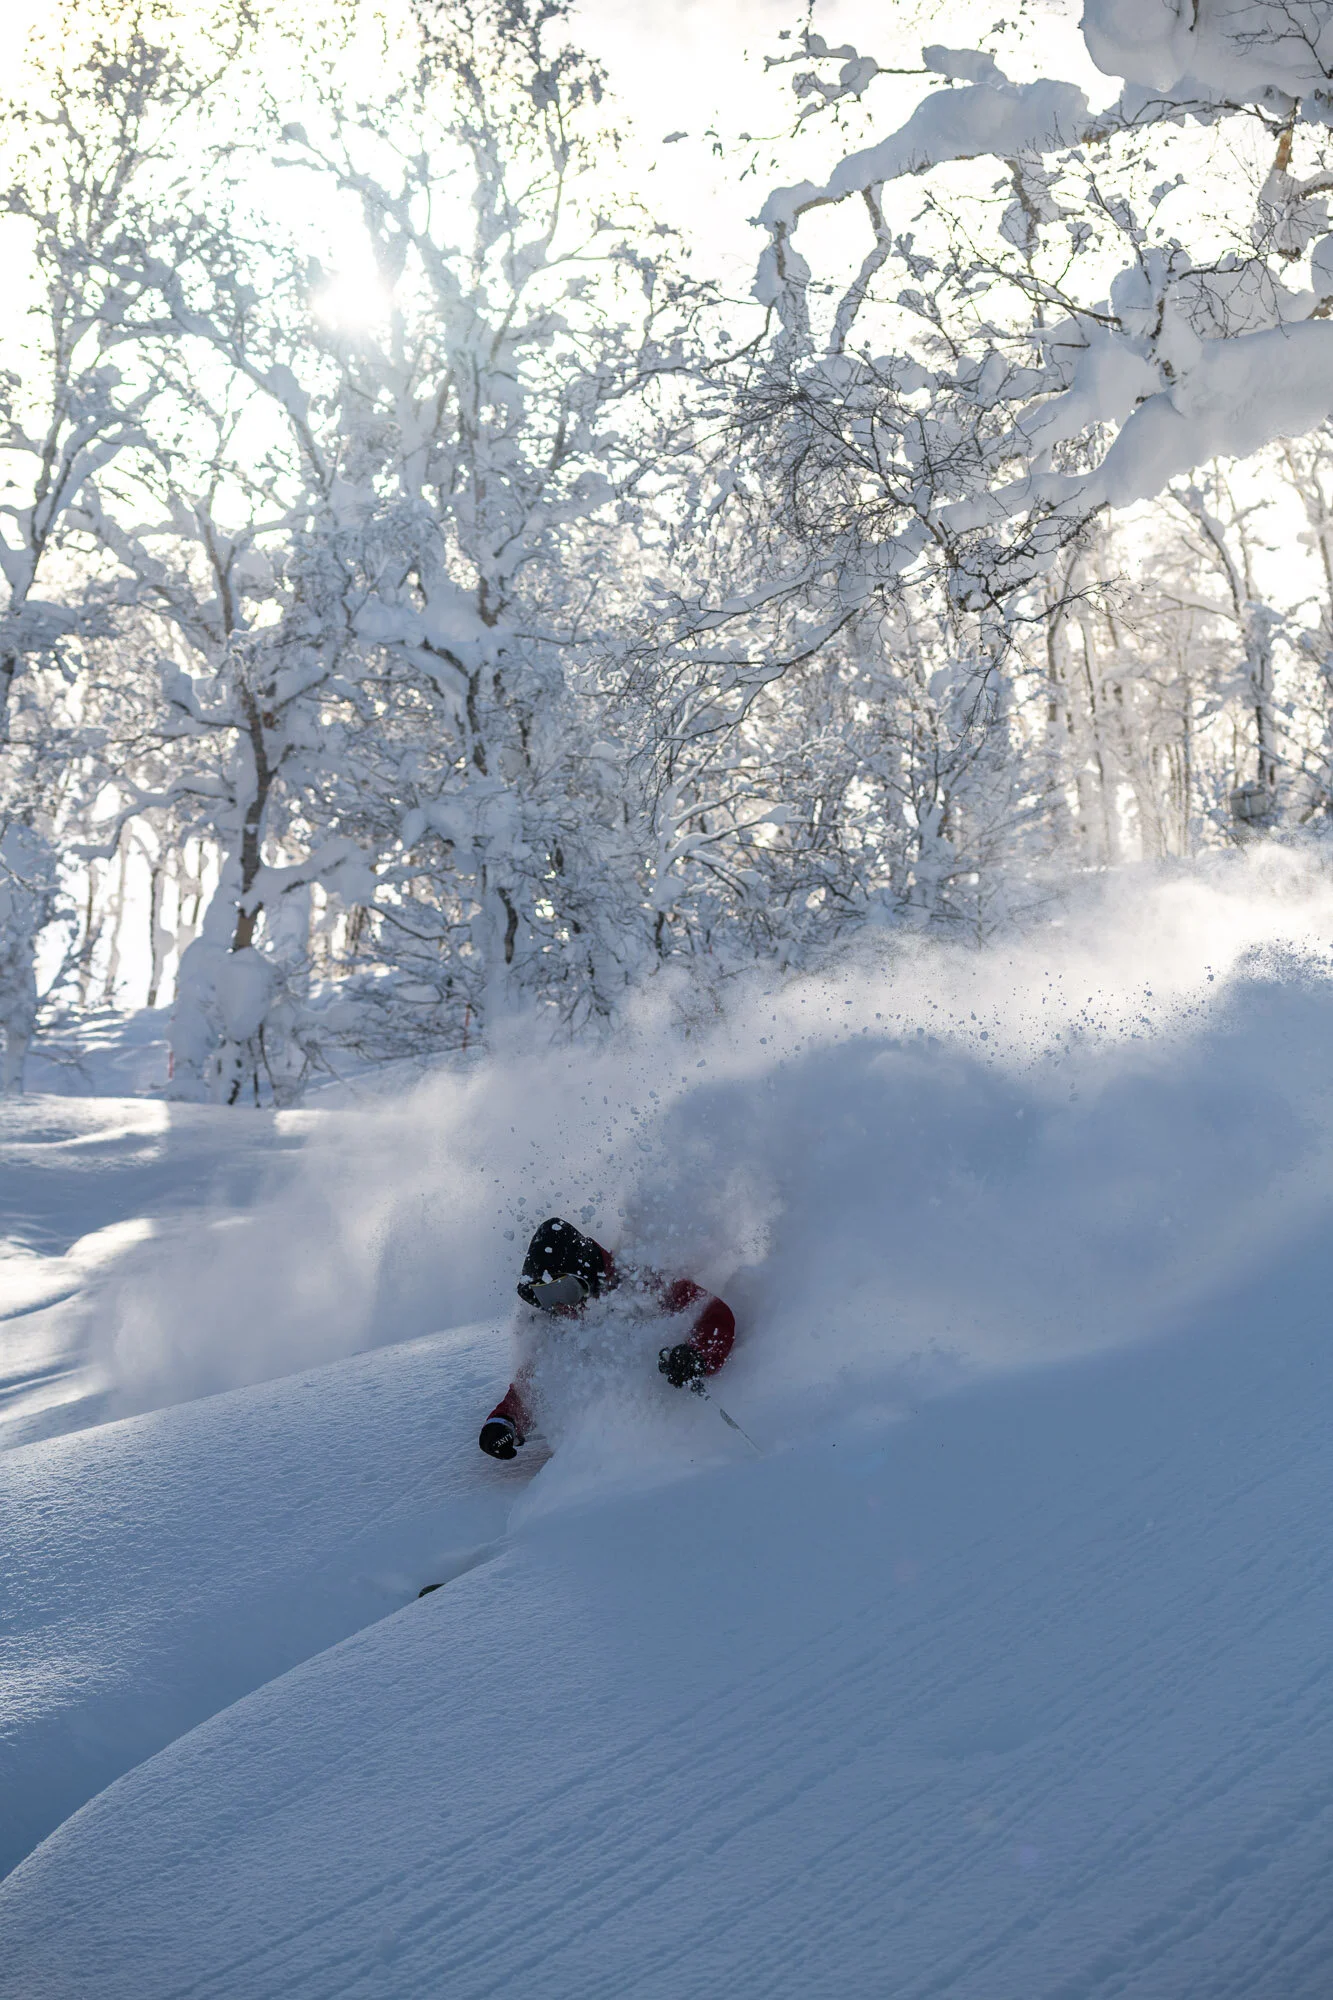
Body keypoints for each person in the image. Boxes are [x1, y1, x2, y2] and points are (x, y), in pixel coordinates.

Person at [479, 1215, 736, 1459]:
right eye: (545, 1295)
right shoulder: (554, 1321)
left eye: (563, 1290)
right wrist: (504, 1422)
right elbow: (534, 1385)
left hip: (673, 1439)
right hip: (603, 1451)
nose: (559, 1305)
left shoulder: (639, 1283)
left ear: (585, 1273)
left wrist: (697, 1354)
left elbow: (714, 1313)